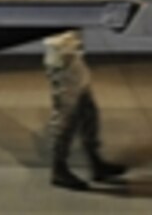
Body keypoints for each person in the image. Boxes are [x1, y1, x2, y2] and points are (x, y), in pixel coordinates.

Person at [42, 30, 127, 189]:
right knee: (65, 116)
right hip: (62, 59)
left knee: (88, 111)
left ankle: (95, 162)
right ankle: (59, 168)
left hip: (71, 56)